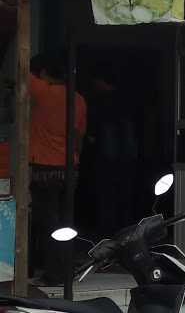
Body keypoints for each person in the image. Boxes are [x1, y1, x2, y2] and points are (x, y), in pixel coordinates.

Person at [29, 52, 87, 285]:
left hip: (44, 168)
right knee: (65, 222)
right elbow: (79, 136)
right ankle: (65, 270)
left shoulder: (43, 91)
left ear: (44, 74)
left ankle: (54, 274)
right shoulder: (79, 99)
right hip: (69, 168)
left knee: (48, 224)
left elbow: (19, 68)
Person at [87, 69, 137, 238]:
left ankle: (107, 234)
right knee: (124, 198)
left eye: (96, 82)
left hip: (107, 160)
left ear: (102, 82)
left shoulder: (100, 102)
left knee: (107, 198)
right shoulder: (127, 101)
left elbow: (93, 135)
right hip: (127, 160)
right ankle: (125, 234)